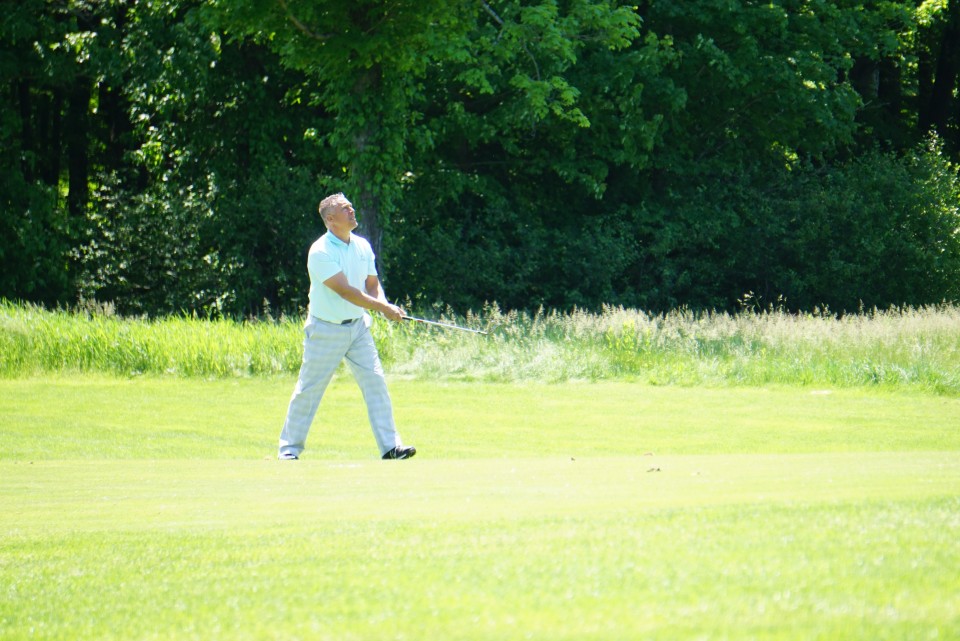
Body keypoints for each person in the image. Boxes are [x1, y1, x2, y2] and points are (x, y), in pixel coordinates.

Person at [277, 193, 415, 460]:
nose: (352, 210)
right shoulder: (320, 251)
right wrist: (383, 309)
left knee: (375, 382)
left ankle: (391, 447)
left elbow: (372, 284)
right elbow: (346, 291)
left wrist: (385, 304)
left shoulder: (362, 245)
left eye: (351, 206)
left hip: (358, 328)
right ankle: (289, 451)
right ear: (331, 219)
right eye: (345, 208)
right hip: (325, 329)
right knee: (309, 390)